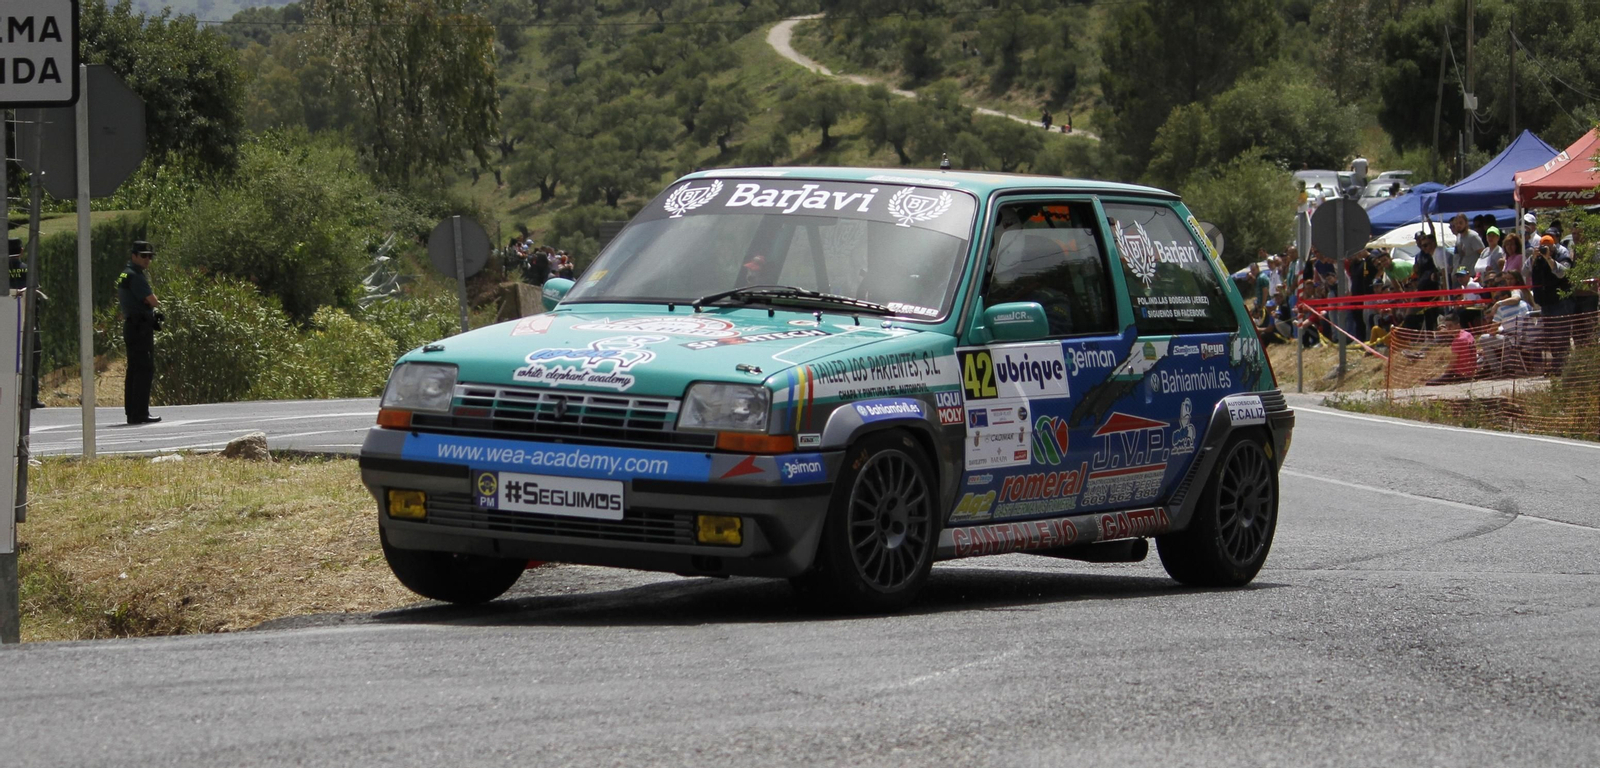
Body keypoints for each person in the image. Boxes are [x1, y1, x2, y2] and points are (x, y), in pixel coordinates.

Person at [117, 241, 162, 425]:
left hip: (133, 325)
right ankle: (140, 412)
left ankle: (133, 412)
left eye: (150, 256)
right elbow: (153, 301)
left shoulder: (125, 274)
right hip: (140, 327)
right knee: (144, 369)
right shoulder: (135, 276)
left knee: (134, 370)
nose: (147, 260)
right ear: (134, 255)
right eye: (143, 256)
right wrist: (152, 304)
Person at [9, 237, 44, 408]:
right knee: (32, 357)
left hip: (6, 322)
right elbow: (35, 294)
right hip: (28, 322)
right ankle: (31, 396)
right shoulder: (27, 270)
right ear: (21, 251)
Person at [1426, 313, 1477, 384]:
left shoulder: (1458, 340)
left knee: (1429, 383)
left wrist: (1445, 374)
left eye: (1451, 326)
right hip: (1471, 371)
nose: (1448, 329)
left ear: (1458, 325)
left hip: (1460, 375)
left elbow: (1453, 362)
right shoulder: (1468, 334)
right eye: (1447, 326)